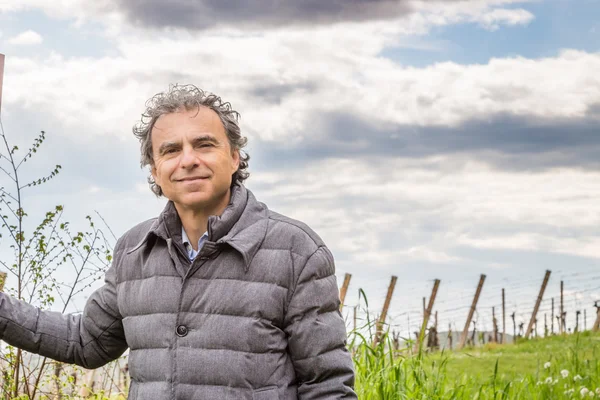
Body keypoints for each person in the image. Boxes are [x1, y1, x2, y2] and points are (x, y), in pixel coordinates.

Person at [0, 84, 357, 399]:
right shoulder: (134, 251)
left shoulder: (296, 251)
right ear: (155, 170)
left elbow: (326, 387)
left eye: (204, 144)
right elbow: (85, 341)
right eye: (170, 151)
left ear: (234, 157)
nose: (188, 160)